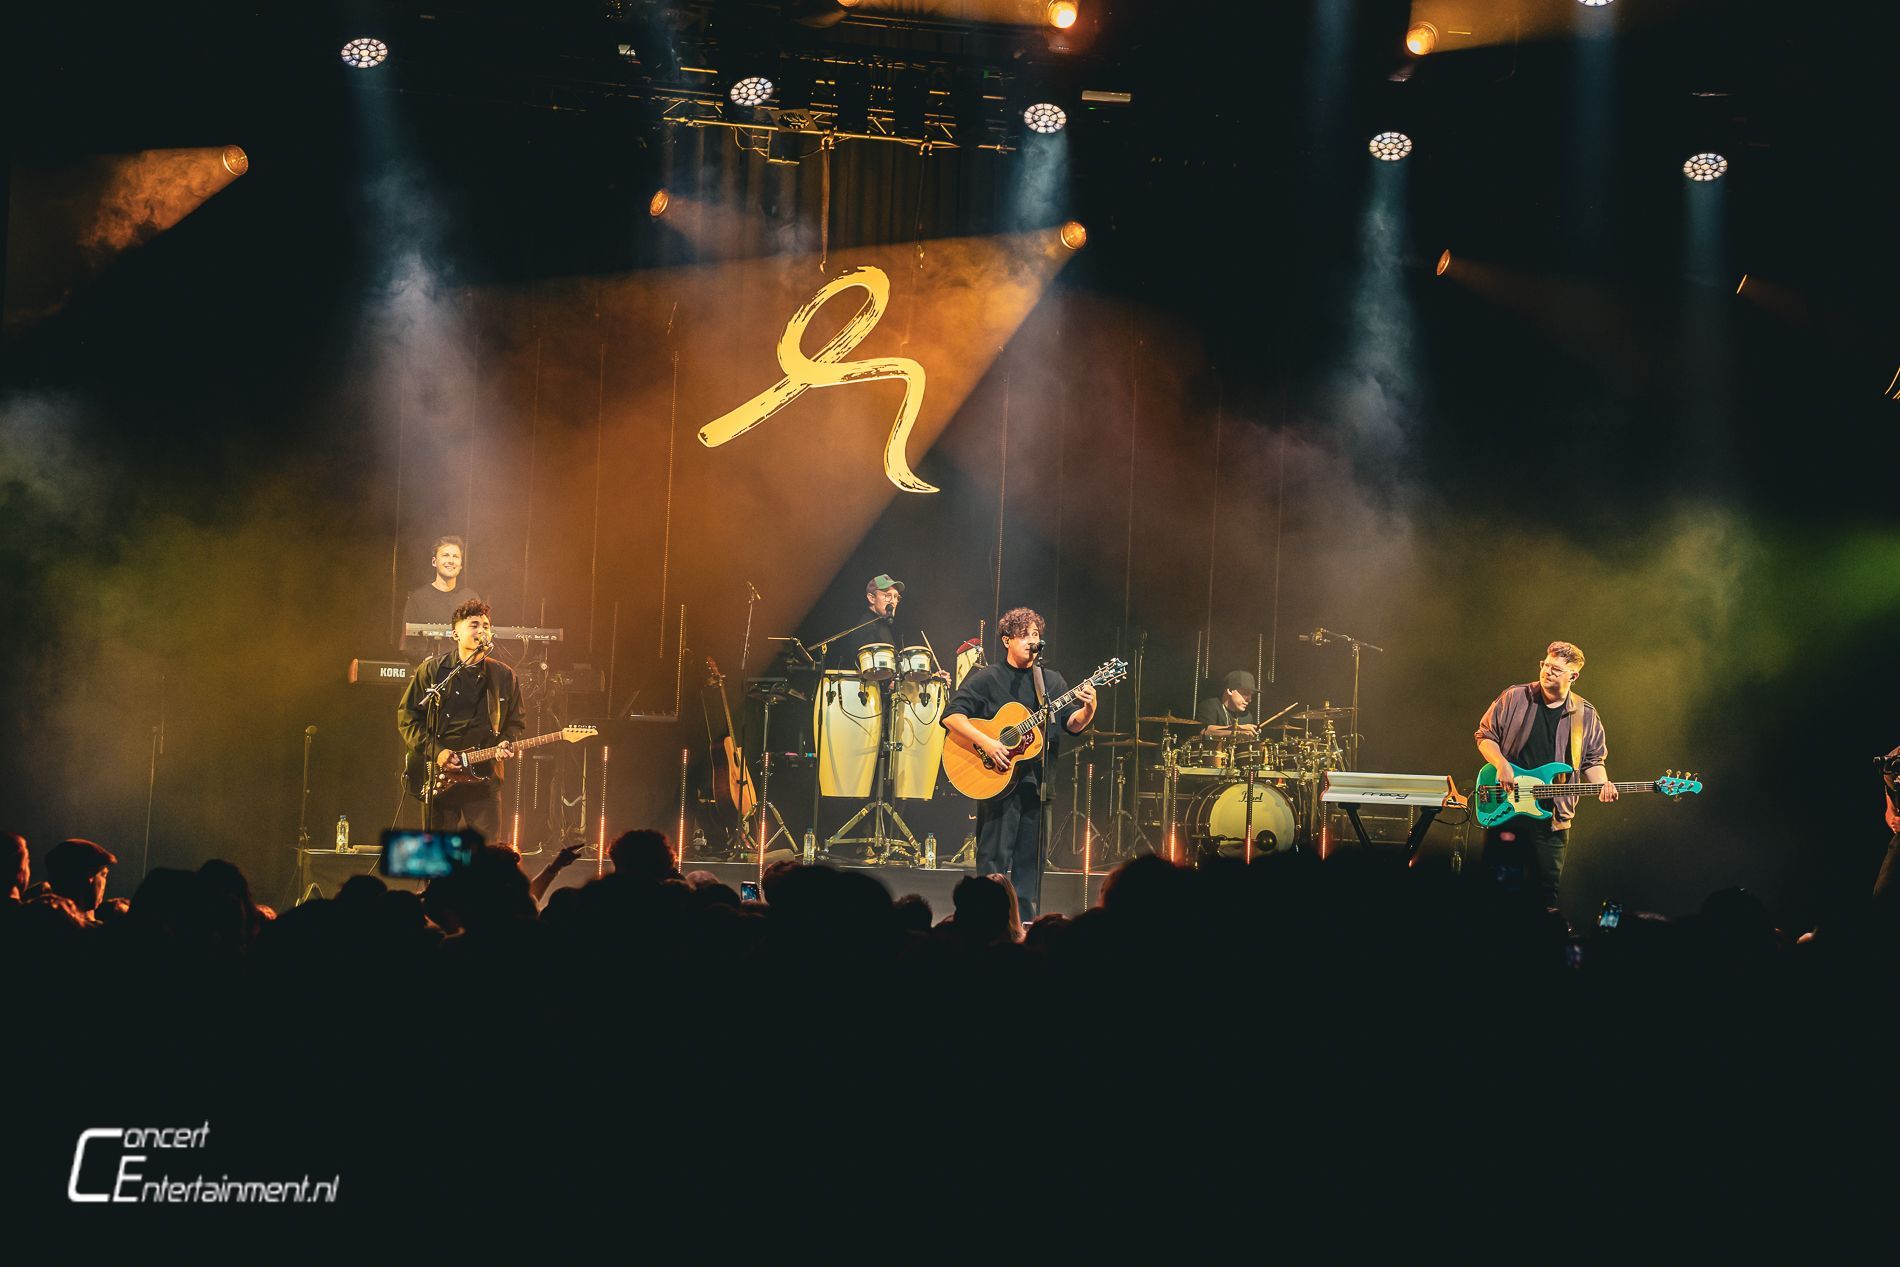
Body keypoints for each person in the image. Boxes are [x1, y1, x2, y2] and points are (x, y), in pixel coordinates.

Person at [943, 606, 1098, 920]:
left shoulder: (1051, 682)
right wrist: (988, 742)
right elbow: (952, 716)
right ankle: (985, 920)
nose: (1031, 640)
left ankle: (1025, 922)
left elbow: (1072, 724)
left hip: (1038, 784)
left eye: (1035, 634)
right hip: (996, 782)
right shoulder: (987, 679)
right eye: (1024, 634)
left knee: (1031, 863)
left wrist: (1089, 710)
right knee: (993, 861)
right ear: (1007, 640)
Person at [1473, 640, 1615, 908]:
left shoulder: (1585, 714)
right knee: (1496, 892)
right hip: (1507, 810)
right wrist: (1502, 764)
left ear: (1573, 676)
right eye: (1546, 665)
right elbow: (1485, 736)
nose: (1547, 671)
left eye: (1556, 669)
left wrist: (1603, 785)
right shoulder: (1515, 697)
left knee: (1545, 896)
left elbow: (1593, 760)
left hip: (1553, 820)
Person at [397, 598, 525, 838]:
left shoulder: (504, 676)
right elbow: (408, 719)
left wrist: (506, 741)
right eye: (474, 625)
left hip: (484, 779)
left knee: (487, 853)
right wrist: (437, 752)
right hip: (439, 777)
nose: (482, 631)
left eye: (486, 626)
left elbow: (516, 722)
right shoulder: (433, 671)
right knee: (439, 853)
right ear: (455, 634)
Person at [403, 536, 483, 656]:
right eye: (445, 555)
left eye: (455, 556)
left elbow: (480, 637)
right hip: (428, 665)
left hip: (463, 664)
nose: (451, 560)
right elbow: (408, 643)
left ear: (461, 565)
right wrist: (428, 663)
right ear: (434, 562)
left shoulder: (471, 597)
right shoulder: (418, 598)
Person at [1198, 669, 1261, 740]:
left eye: (1251, 695)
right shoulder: (1210, 706)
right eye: (1245, 693)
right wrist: (1238, 731)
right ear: (1230, 690)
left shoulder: (1247, 715)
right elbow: (1204, 731)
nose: (1249, 700)